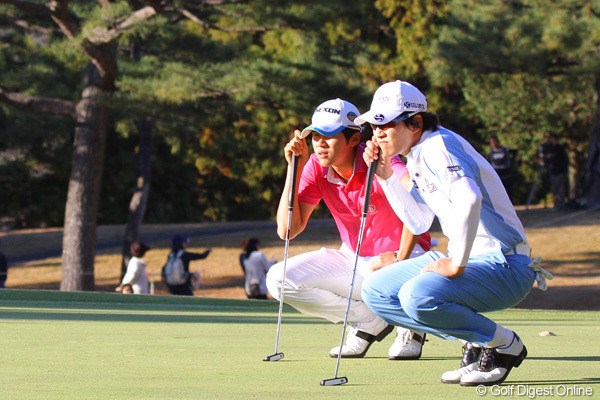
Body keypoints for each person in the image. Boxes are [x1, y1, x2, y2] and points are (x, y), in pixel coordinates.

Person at [357, 80, 552, 386]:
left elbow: (470, 198)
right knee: (376, 291)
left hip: (505, 263)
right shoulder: (418, 153)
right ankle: (477, 339)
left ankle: (504, 345)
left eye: (385, 125)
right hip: (473, 261)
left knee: (415, 295)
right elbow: (420, 221)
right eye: (374, 127)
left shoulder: (440, 147)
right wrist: (384, 175)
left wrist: (456, 262)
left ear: (415, 122)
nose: (378, 134)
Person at [266, 98, 432, 360]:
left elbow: (417, 202)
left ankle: (409, 325)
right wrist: (294, 167)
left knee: (395, 278)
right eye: (316, 135)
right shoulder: (315, 168)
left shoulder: (378, 158)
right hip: (353, 259)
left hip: (404, 260)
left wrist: (399, 256)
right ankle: (368, 321)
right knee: (278, 279)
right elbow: (287, 231)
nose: (320, 143)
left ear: (354, 139)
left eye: (329, 136)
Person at [539, 134, 569, 210]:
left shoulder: (560, 149)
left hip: (560, 172)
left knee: (561, 190)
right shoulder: (549, 149)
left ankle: (561, 205)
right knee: (554, 189)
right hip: (553, 172)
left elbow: (564, 161)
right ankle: (556, 204)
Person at [486, 136, 515, 202]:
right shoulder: (491, 152)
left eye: (494, 141)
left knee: (508, 190)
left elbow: (514, 152)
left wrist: (511, 162)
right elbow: (487, 161)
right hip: (496, 173)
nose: (493, 143)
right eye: (491, 142)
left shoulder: (505, 150)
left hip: (506, 172)